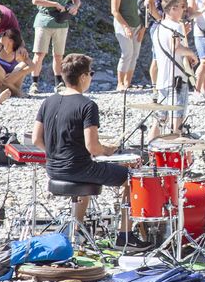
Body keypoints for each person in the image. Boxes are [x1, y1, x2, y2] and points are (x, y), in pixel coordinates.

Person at [32, 54, 146, 250]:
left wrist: (56, 153)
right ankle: (124, 235)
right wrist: (108, 151)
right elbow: (92, 147)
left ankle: (76, 232)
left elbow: (36, 139)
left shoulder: (47, 102)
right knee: (132, 177)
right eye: (91, 74)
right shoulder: (87, 105)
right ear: (83, 77)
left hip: (53, 169)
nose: (91, 78)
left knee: (90, 170)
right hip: (78, 168)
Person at [149, 0, 198, 142]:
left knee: (158, 121)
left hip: (162, 80)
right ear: (172, 9)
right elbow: (176, 48)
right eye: (181, 7)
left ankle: (151, 151)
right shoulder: (176, 26)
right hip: (176, 80)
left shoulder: (158, 28)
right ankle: (173, 155)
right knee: (176, 123)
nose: (184, 10)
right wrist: (191, 53)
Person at [30, 0, 81, 94]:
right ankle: (34, 83)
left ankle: (59, 83)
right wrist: (54, 4)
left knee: (59, 55)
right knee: (39, 54)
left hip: (61, 23)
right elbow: (35, 0)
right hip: (44, 22)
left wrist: (75, 6)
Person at [145, 0, 180, 97]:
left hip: (168, 25)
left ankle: (163, 86)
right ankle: (155, 89)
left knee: (166, 56)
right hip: (159, 25)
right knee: (157, 57)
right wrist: (159, 19)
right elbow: (148, 2)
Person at [110, 0, 143, 92]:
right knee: (127, 53)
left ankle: (127, 83)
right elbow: (115, 11)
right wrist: (126, 27)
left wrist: (142, 27)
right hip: (122, 25)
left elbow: (142, 9)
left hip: (137, 25)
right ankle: (120, 83)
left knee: (135, 54)